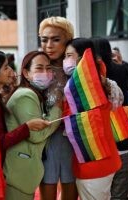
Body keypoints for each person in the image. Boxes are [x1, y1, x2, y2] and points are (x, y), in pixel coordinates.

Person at [64, 38, 122, 200]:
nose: (65, 61)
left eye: (69, 55)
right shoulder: (98, 81)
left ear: (84, 58)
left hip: (95, 162)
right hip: (100, 158)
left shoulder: (86, 87)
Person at [3, 51, 62, 200]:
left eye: (48, 68)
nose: (46, 73)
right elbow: (36, 135)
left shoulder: (33, 93)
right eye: (39, 68)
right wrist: (58, 109)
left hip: (23, 174)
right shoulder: (26, 95)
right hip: (19, 174)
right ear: (26, 73)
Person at [38, 16, 79, 200]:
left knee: (70, 186)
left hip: (73, 138)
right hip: (44, 138)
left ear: (68, 40)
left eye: (56, 39)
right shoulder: (35, 67)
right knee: (47, 185)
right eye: (44, 39)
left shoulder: (78, 69)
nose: (49, 45)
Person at [93, 38, 128, 200]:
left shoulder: (89, 72)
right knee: (120, 190)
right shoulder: (120, 69)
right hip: (122, 135)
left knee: (100, 191)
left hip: (99, 140)